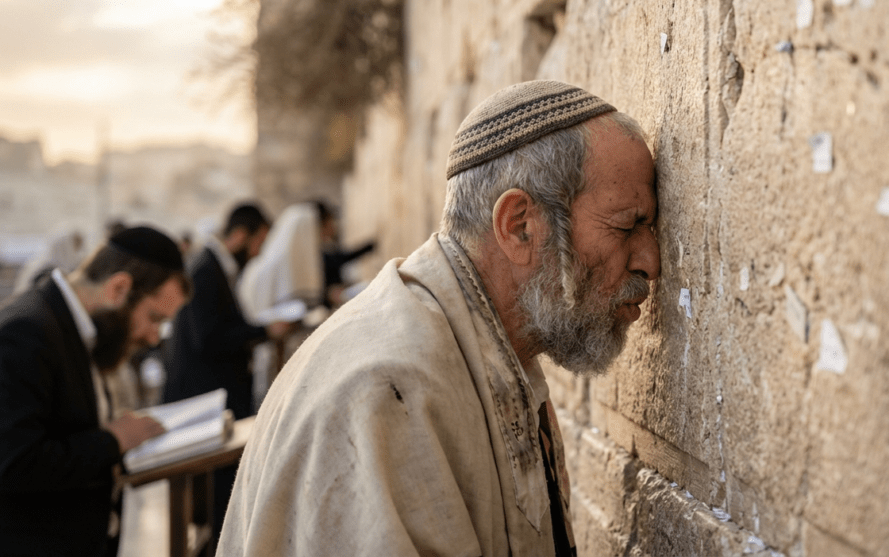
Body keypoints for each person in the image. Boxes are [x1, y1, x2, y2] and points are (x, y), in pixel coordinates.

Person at [218, 80, 661, 556]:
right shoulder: (385, 392)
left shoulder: (488, 348)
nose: (650, 261)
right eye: (626, 225)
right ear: (520, 226)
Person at [0, 226, 191, 556]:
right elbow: (16, 462)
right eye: (154, 318)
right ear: (118, 288)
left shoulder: (76, 327)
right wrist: (115, 440)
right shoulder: (26, 331)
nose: (154, 337)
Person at [161, 202, 291, 548]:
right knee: (216, 499)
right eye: (259, 241)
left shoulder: (216, 266)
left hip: (214, 395)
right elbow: (209, 338)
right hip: (205, 399)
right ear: (240, 236)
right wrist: (263, 331)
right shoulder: (206, 269)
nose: (260, 252)